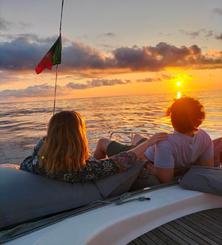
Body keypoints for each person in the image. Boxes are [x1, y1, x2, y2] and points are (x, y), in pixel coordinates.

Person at [20, 111, 167, 183]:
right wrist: (149, 142)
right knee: (141, 152)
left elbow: (26, 162)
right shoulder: (82, 169)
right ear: (78, 136)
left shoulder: (35, 163)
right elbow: (121, 161)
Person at [94, 97, 214, 184]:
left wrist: (147, 165)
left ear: (172, 119)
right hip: (152, 147)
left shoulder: (166, 144)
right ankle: (140, 141)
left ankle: (95, 179)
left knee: (102, 142)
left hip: (140, 154)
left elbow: (165, 179)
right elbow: (206, 168)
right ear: (199, 119)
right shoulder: (205, 137)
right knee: (137, 137)